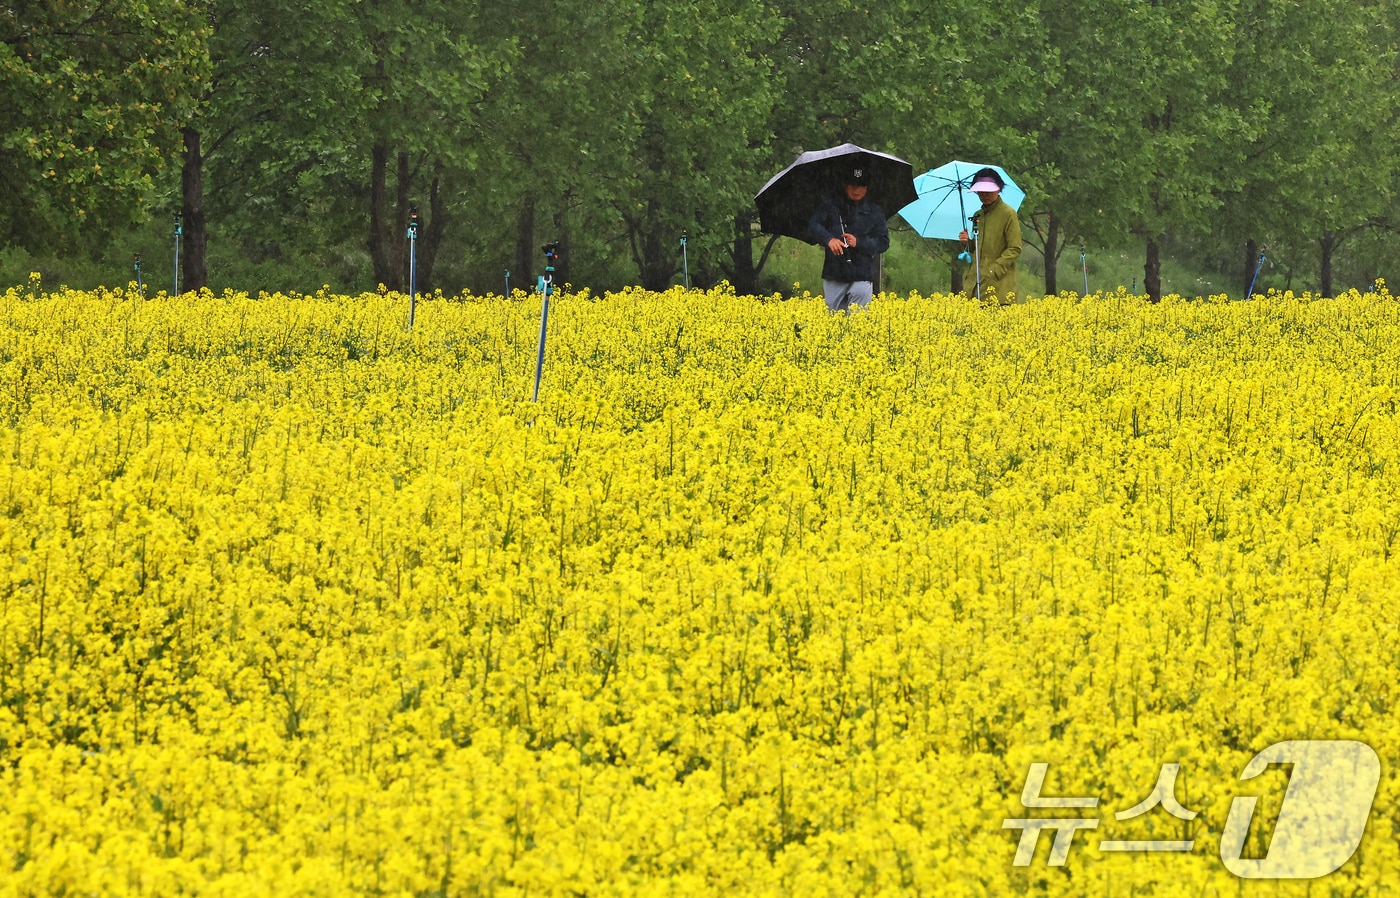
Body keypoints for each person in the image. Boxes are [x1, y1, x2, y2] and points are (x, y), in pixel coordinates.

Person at [808, 163, 890, 313]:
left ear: (867, 187)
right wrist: (829, 240)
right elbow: (814, 225)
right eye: (852, 185)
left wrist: (859, 242)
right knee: (834, 321)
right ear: (845, 185)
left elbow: (883, 242)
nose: (856, 190)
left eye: (861, 186)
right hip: (835, 272)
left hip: (862, 273)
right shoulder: (830, 205)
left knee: (858, 322)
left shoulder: (875, 211)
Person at [958, 167, 1022, 305]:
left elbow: (1015, 249)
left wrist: (993, 270)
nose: (984, 195)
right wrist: (966, 243)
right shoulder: (978, 215)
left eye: (988, 191)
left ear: (998, 189)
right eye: (980, 191)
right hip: (973, 284)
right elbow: (978, 248)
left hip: (999, 288)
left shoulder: (1008, 214)